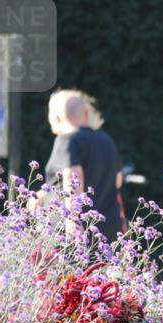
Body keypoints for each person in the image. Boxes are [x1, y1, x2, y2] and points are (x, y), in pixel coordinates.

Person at [43, 90, 126, 242]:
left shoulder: (67, 140)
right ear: (87, 114)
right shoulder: (106, 139)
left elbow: (73, 181)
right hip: (108, 230)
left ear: (56, 117)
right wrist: (42, 195)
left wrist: (73, 223)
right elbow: (118, 181)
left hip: (75, 235)